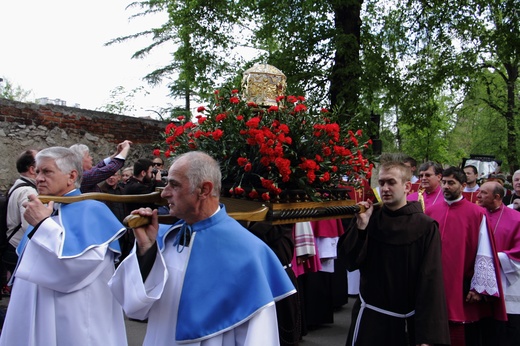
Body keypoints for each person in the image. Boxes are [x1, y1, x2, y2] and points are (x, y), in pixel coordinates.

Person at [109, 151, 296, 345]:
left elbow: (259, 338)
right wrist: (146, 249)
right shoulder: (163, 238)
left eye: (174, 185)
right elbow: (134, 307)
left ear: (204, 190)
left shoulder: (250, 253)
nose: (164, 193)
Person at [0, 146, 127, 345]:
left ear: (71, 176)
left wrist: (43, 225)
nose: (39, 178)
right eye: (38, 171)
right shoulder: (47, 209)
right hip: (36, 315)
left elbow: (76, 269)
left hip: (74, 321)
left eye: (47, 171)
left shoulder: (92, 211)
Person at [337, 161, 450, 346]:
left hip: (405, 322)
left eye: (391, 182)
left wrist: (428, 337)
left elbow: (431, 282)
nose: (385, 188)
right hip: (369, 319)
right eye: (381, 183)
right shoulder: (368, 218)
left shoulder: (425, 226)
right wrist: (361, 227)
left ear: (406, 186)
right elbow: (349, 263)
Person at [426, 166, 506, 346]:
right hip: (433, 281)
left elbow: (484, 252)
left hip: (461, 283)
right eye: (444, 183)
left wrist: (478, 287)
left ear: (462, 186)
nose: (446, 187)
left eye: (451, 183)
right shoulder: (431, 212)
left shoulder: (477, 213)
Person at [478, 181, 520, 345]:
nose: (479, 196)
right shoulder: (477, 214)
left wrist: (492, 259)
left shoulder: (516, 219)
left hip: (507, 283)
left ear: (497, 197)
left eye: (484, 193)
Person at [2, 150, 38, 278]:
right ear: (32, 169)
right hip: (18, 249)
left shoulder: (18, 185)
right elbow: (28, 225)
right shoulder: (28, 191)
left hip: (11, 246)